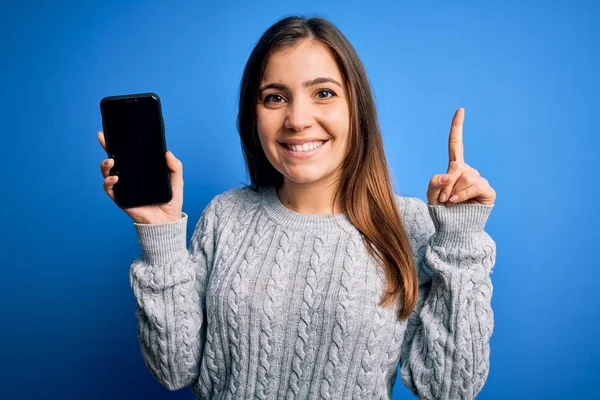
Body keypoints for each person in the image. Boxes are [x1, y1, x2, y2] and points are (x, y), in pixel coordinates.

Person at [97, 15, 496, 400]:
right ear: (253, 116)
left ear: (356, 109)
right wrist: (162, 237)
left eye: (323, 93)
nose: (298, 119)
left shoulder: (409, 226)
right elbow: (172, 370)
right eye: (275, 97)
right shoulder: (226, 216)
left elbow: (449, 389)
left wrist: (460, 240)